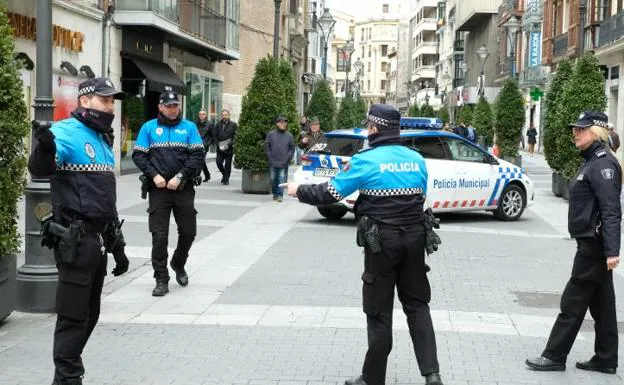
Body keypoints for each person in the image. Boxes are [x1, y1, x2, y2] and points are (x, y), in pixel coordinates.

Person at [284, 104, 444, 385]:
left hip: (381, 242)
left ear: (373, 128)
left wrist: (300, 191)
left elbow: (330, 193)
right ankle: (432, 375)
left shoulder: (365, 160)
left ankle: (372, 379)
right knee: (418, 306)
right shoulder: (417, 159)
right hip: (415, 239)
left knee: (378, 310)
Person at [28, 77, 129, 385]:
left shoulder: (101, 138)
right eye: (105, 100)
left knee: (91, 314)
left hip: (97, 240)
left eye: (113, 101)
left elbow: (105, 199)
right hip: (74, 238)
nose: (111, 106)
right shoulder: (64, 132)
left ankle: (68, 370)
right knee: (73, 316)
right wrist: (43, 148)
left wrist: (119, 245)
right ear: (85, 101)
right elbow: (41, 170)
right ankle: (68, 376)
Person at [526, 111, 621, 374]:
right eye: (575, 129)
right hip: (592, 244)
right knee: (603, 306)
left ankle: (554, 355)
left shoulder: (602, 165)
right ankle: (606, 358)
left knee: (572, 302)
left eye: (581, 129)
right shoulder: (592, 161)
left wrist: (612, 250)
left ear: (597, 132)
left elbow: (611, 209)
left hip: (594, 247)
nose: (575, 133)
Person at [132, 91, 205, 297]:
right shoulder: (149, 128)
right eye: (169, 106)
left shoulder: (189, 128)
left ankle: (178, 263)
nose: (173, 109)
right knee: (159, 236)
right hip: (158, 190)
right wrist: (154, 175)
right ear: (160, 107)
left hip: (183, 188)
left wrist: (180, 176)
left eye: (176, 105)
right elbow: (139, 155)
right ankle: (161, 278)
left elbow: (198, 155)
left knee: (189, 232)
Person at [265, 115, 295, 202]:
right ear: (277, 123)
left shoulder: (289, 136)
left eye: (285, 122)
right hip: (273, 161)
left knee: (282, 178)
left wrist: (288, 158)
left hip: (284, 161)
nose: (284, 124)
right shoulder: (271, 134)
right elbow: (267, 146)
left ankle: (280, 195)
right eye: (282, 122)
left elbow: (292, 148)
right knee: (273, 178)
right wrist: (269, 156)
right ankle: (275, 193)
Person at [214, 109, 237, 185]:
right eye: (223, 115)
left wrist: (228, 145)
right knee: (218, 162)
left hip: (229, 148)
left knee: (228, 165)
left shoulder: (233, 125)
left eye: (225, 115)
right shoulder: (218, 124)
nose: (224, 116)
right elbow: (215, 136)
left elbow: (235, 137)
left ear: (228, 115)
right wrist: (218, 144)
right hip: (220, 148)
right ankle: (224, 175)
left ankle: (226, 179)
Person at [196, 109, 213, 182]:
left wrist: (207, 143)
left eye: (203, 114)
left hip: (204, 145)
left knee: (200, 160)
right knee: (201, 160)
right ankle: (207, 175)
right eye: (200, 114)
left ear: (205, 115)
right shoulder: (195, 123)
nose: (201, 116)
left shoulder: (210, 124)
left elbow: (212, 136)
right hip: (196, 144)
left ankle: (196, 176)